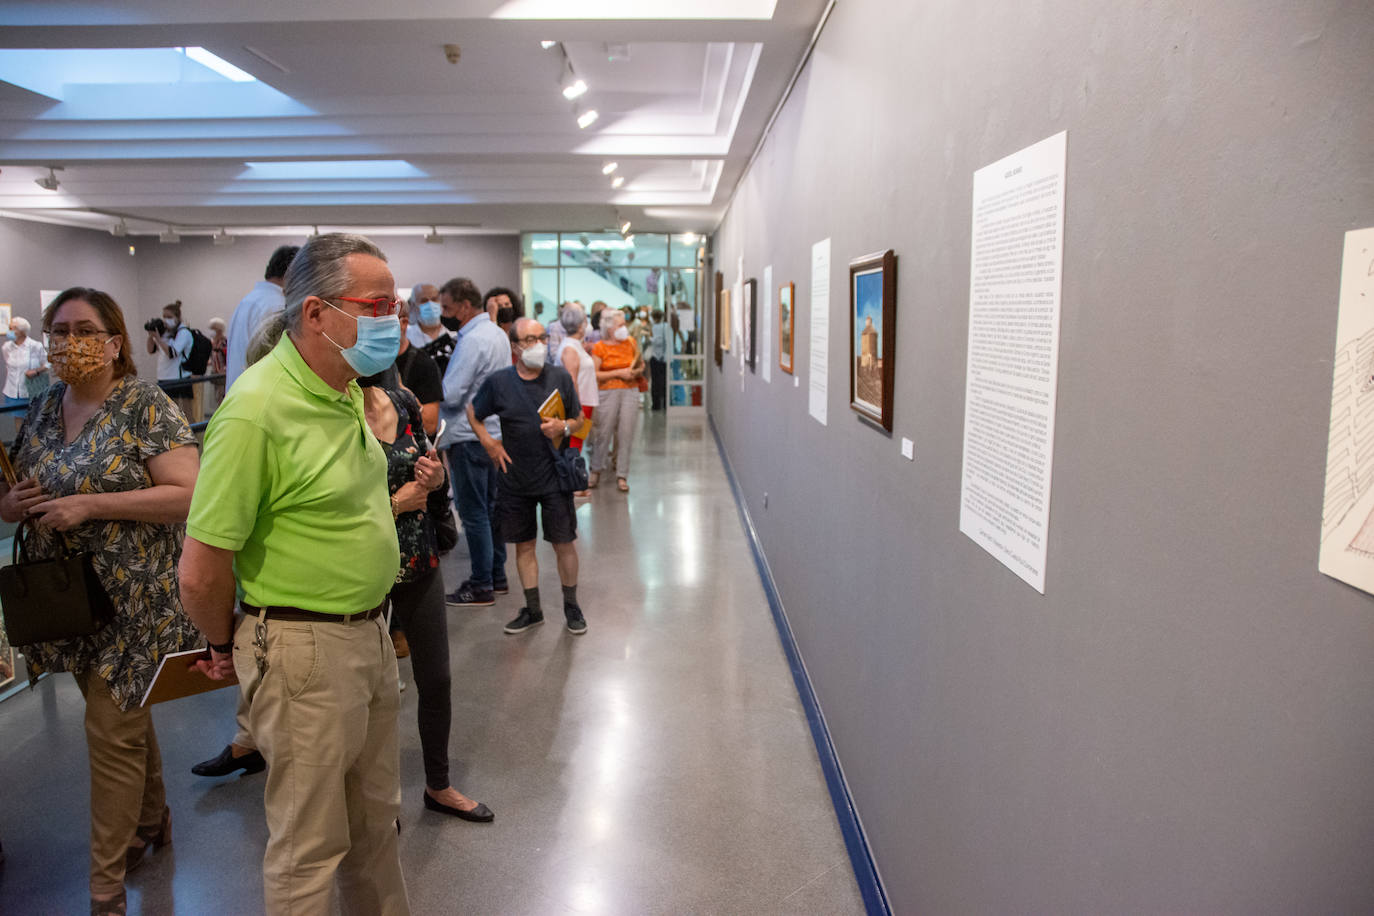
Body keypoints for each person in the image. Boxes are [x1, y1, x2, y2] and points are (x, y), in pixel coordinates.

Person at [178, 232, 411, 916]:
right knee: (309, 848)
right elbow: (201, 569)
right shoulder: (255, 410)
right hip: (305, 649)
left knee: (377, 827)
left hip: (369, 635)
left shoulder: (343, 391)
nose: (391, 321)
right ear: (316, 313)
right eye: (378, 305)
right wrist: (224, 645)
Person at [0, 287, 200, 916]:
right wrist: (12, 508)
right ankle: (152, 820)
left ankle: (105, 889)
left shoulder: (145, 406)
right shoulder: (42, 407)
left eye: (83, 329)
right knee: (123, 713)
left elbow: (190, 494)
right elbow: (19, 489)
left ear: (115, 342)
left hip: (135, 600)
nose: (67, 342)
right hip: (69, 599)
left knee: (109, 731)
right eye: (58, 330)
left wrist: (92, 504)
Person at [358, 370, 493, 823]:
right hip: (360, 574)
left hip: (419, 560)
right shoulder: (332, 412)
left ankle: (439, 785)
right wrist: (397, 503)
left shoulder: (403, 402)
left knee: (436, 679)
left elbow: (432, 482)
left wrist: (433, 482)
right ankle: (377, 799)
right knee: (370, 694)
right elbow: (330, 508)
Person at [469, 317, 586, 636]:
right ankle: (533, 610)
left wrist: (563, 427)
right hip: (515, 476)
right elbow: (473, 412)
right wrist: (490, 443)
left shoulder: (559, 377)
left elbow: (579, 420)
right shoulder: (499, 383)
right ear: (515, 347)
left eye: (542, 337)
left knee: (564, 543)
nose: (539, 344)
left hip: (555, 474)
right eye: (530, 339)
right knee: (524, 546)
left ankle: (571, 605)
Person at [437, 276, 512, 607]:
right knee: (491, 509)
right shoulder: (497, 335)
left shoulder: (472, 340)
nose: (444, 313)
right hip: (492, 434)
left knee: (474, 513)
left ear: (465, 306)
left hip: (469, 437)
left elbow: (451, 394)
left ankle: (481, 583)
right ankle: (497, 575)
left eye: (447, 307)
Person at [225, 245, 299, 391]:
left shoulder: (249, 299)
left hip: (240, 388)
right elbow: (274, 357)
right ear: (292, 272)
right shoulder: (276, 305)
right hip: (258, 390)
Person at [588, 309, 644, 492]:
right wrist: (619, 373)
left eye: (624, 324)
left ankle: (622, 475)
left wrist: (634, 372)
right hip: (607, 393)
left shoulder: (631, 343)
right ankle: (595, 470)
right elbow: (595, 374)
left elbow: (640, 364)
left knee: (626, 434)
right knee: (603, 432)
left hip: (630, 391)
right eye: (620, 325)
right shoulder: (600, 347)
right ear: (610, 328)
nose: (624, 328)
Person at [556, 303, 598, 475]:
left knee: (577, 443)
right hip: (580, 404)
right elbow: (572, 380)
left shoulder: (574, 344)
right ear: (581, 325)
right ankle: (571, 480)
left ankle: (572, 478)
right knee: (573, 444)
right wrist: (577, 409)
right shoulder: (570, 349)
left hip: (585, 403)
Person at [395, 300, 443, 437]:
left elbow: (430, 426)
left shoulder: (424, 365)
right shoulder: (368, 363)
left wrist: (403, 393)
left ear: (403, 323)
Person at [406, 282, 456, 375]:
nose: (430, 304)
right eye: (424, 300)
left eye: (434, 299)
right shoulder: (406, 337)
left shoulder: (454, 337)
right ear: (414, 305)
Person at [2, 316, 48, 406]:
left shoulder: (35, 346)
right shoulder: (6, 347)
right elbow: (7, 362)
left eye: (12, 329)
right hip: (12, 391)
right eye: (9, 328)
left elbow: (48, 364)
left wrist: (36, 371)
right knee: (18, 418)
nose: (9, 332)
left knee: (33, 417)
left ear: (22, 331)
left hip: (30, 391)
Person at [146, 300, 194, 383]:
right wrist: (151, 335)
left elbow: (172, 353)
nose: (166, 320)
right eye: (164, 317)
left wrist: (158, 339)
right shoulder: (164, 332)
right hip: (162, 377)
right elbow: (151, 350)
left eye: (169, 317)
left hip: (178, 379)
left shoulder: (184, 333)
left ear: (177, 318)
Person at [649, 308, 669, 411]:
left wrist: (650, 338)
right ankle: (665, 404)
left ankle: (656, 405)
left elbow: (657, 342)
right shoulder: (665, 326)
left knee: (655, 382)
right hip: (664, 358)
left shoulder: (655, 327)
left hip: (656, 357)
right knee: (663, 382)